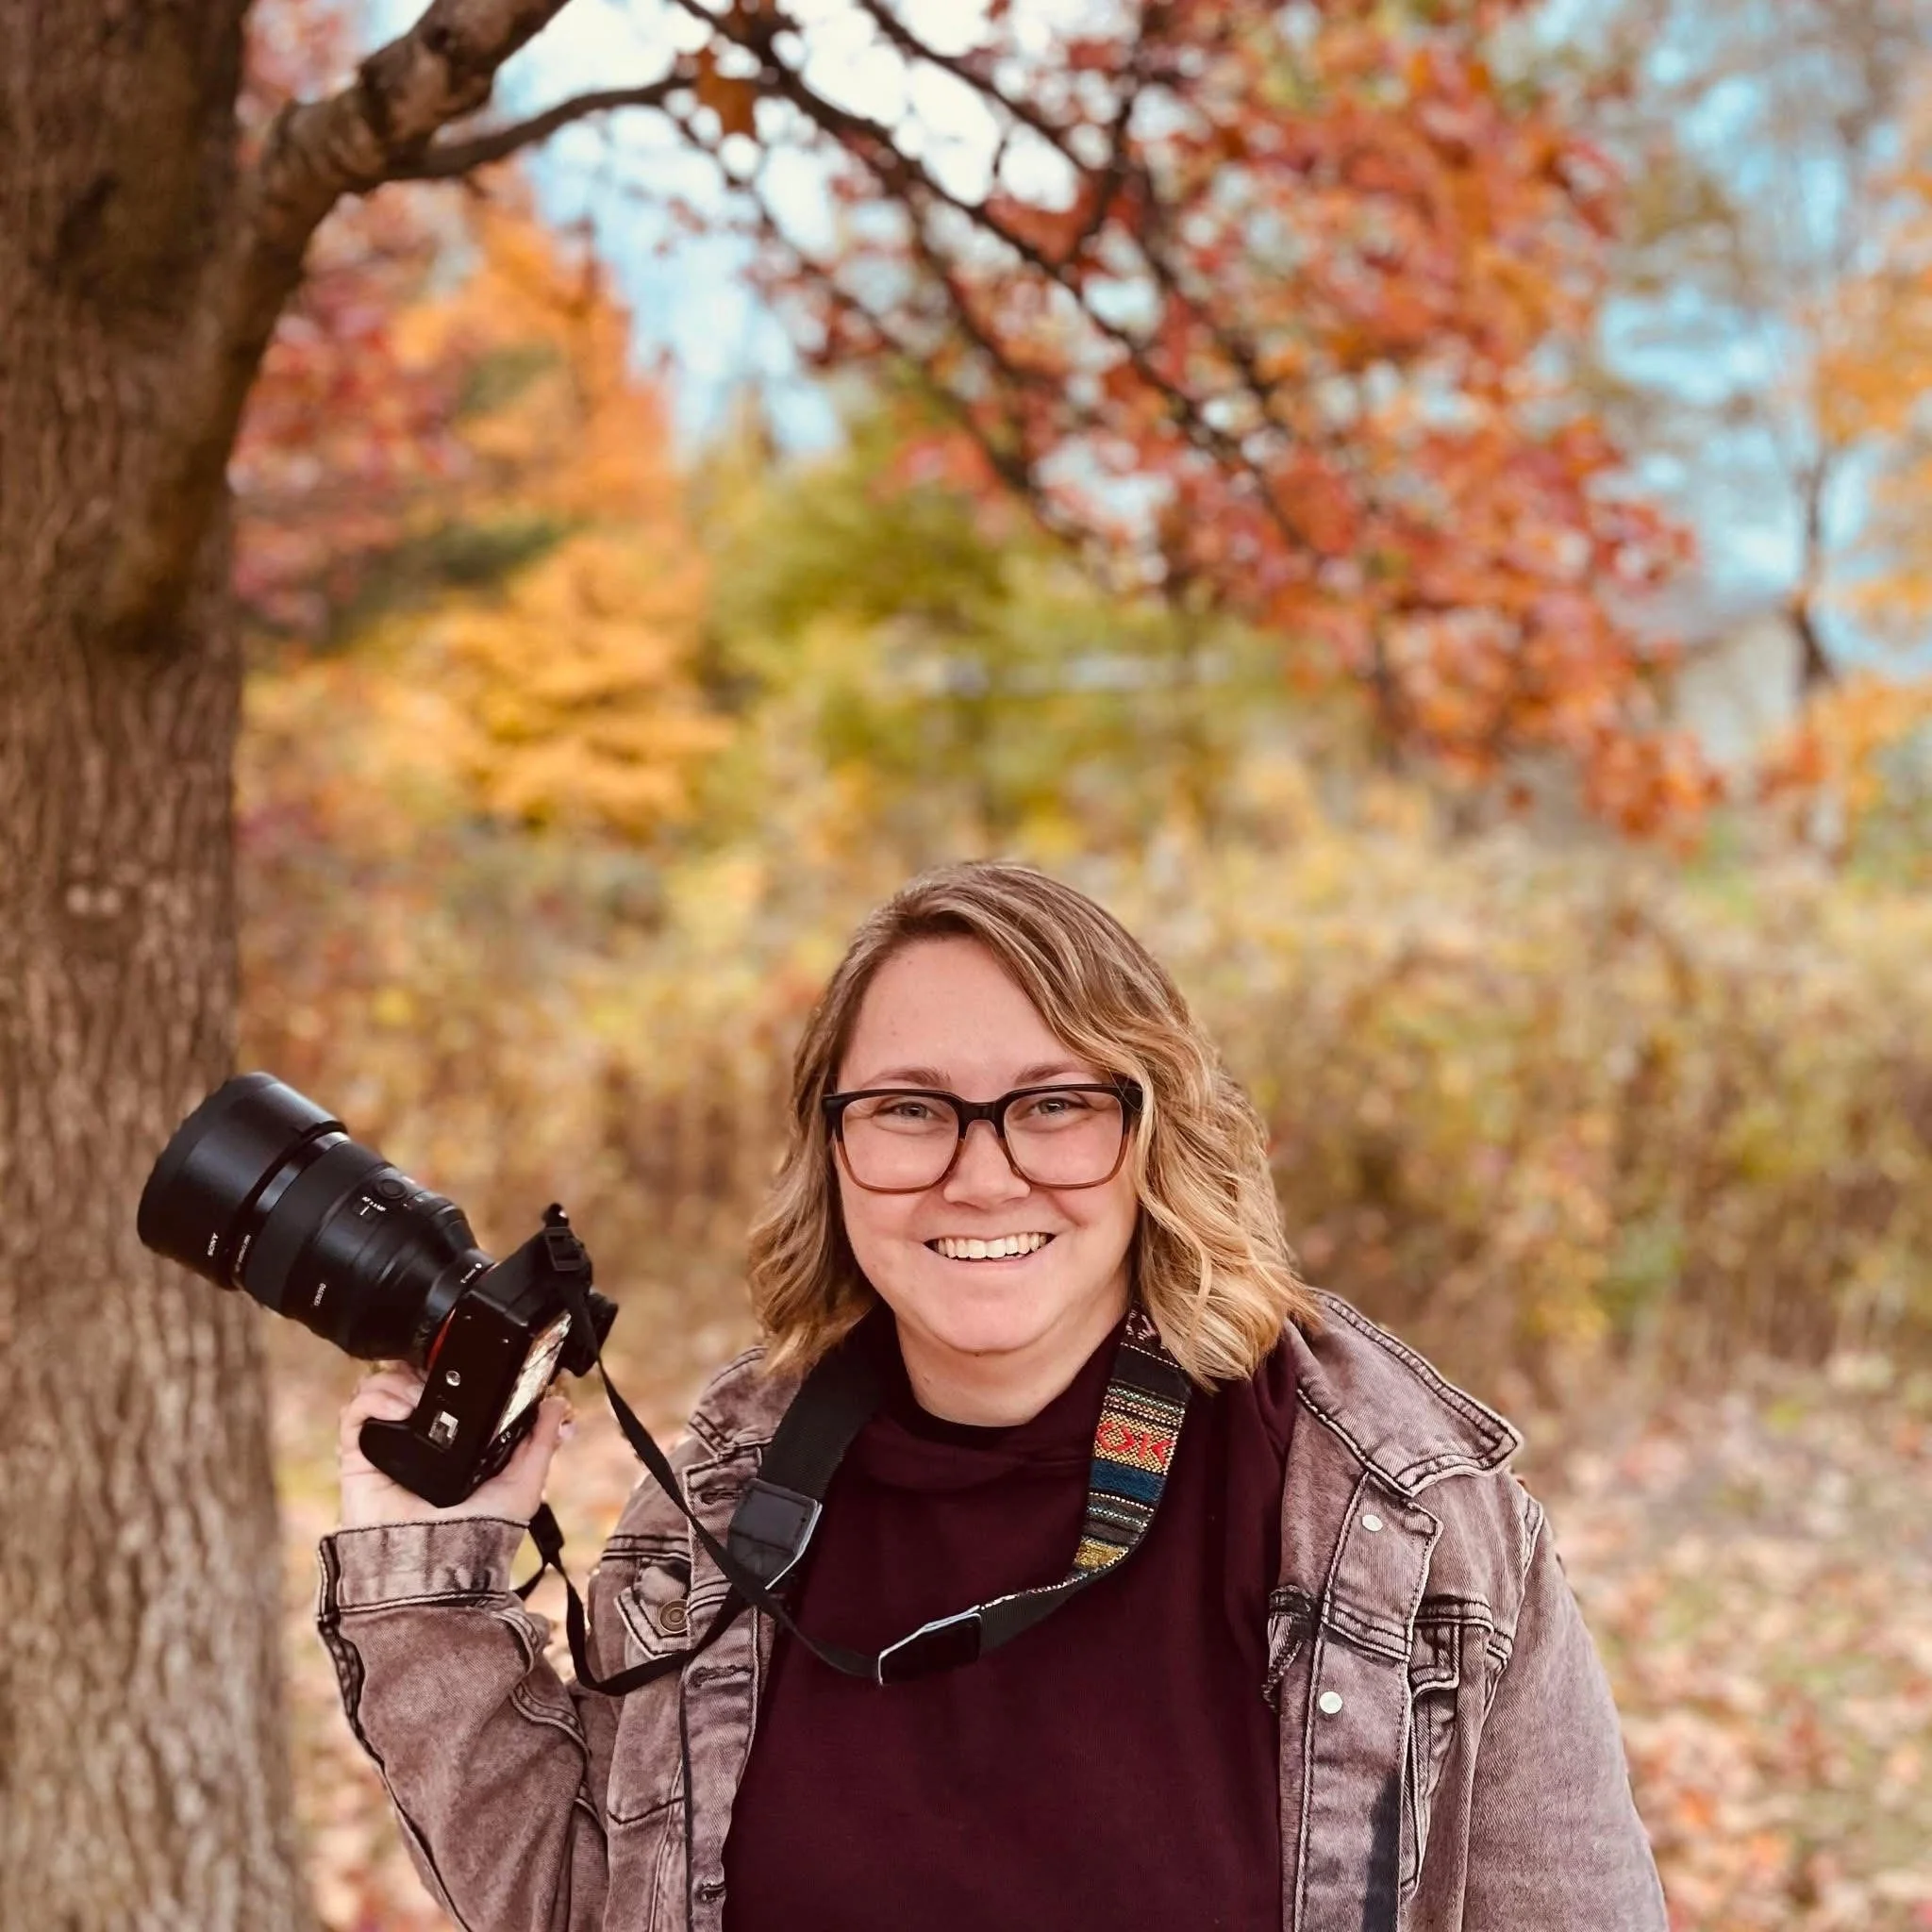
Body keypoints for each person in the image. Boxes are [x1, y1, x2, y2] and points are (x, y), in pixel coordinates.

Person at [322, 860, 1668, 1932]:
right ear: (833, 1147)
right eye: (909, 1109)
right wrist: (423, 1572)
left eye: (1054, 1105)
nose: (980, 1177)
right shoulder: (731, 1505)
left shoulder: (1396, 1517)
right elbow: (582, 1908)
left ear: (1155, 1132)